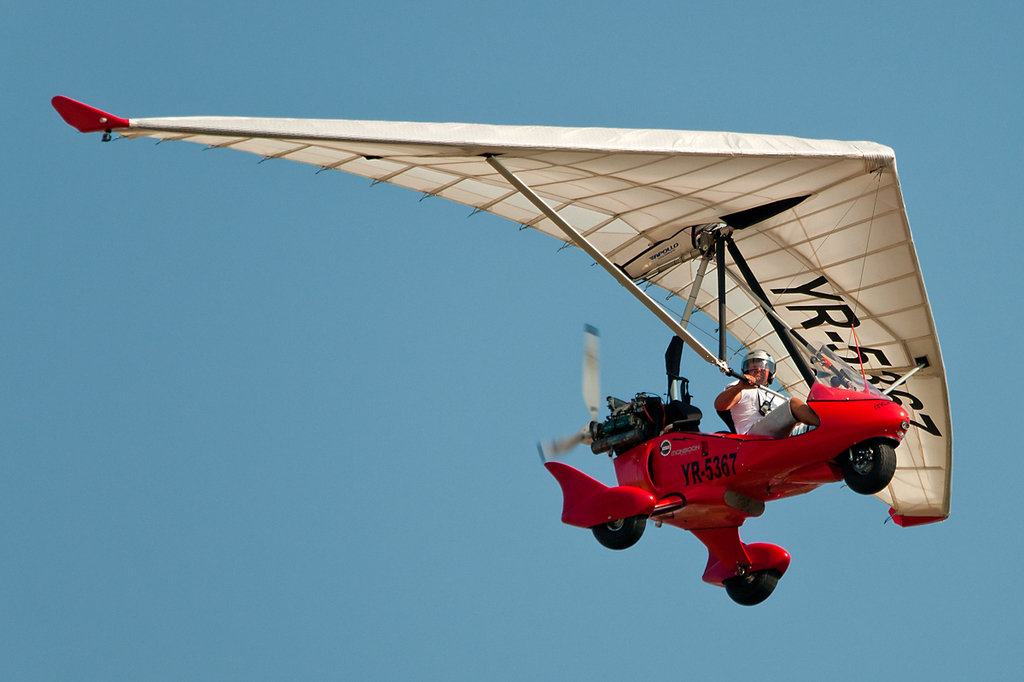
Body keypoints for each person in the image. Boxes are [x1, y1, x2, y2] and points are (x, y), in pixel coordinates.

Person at [714, 349, 820, 437]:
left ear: (771, 372)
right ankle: (824, 425)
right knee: (794, 403)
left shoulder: (780, 398)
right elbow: (720, 405)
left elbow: (796, 422)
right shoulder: (740, 386)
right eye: (753, 366)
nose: (758, 369)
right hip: (752, 437)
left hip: (781, 436)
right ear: (746, 370)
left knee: (813, 424)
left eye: (763, 366)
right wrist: (739, 387)